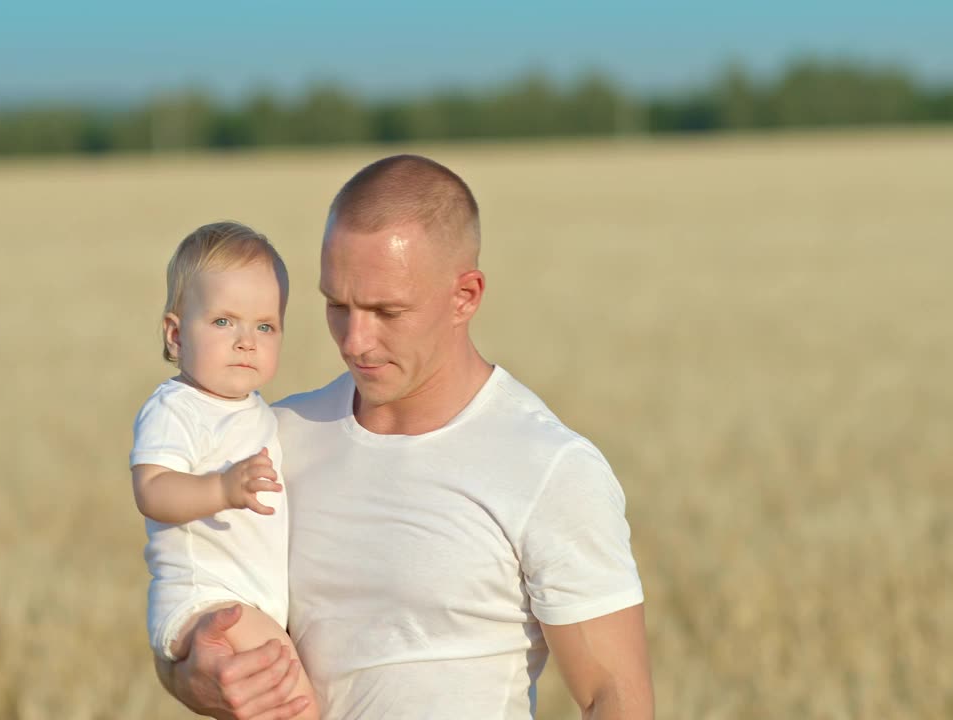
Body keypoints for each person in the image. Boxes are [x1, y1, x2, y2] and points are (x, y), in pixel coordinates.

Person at [157, 157, 653, 719]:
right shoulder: (276, 438)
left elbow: (612, 696)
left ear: (465, 296)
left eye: (386, 311)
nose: (355, 340)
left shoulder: (549, 468)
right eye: (336, 306)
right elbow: (191, 596)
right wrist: (187, 677)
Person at [130, 222, 318, 719]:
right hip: (207, 601)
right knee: (297, 705)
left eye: (264, 326)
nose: (245, 341)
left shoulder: (255, 409)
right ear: (175, 335)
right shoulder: (179, 407)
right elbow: (151, 490)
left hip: (245, 602)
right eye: (222, 322)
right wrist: (222, 487)